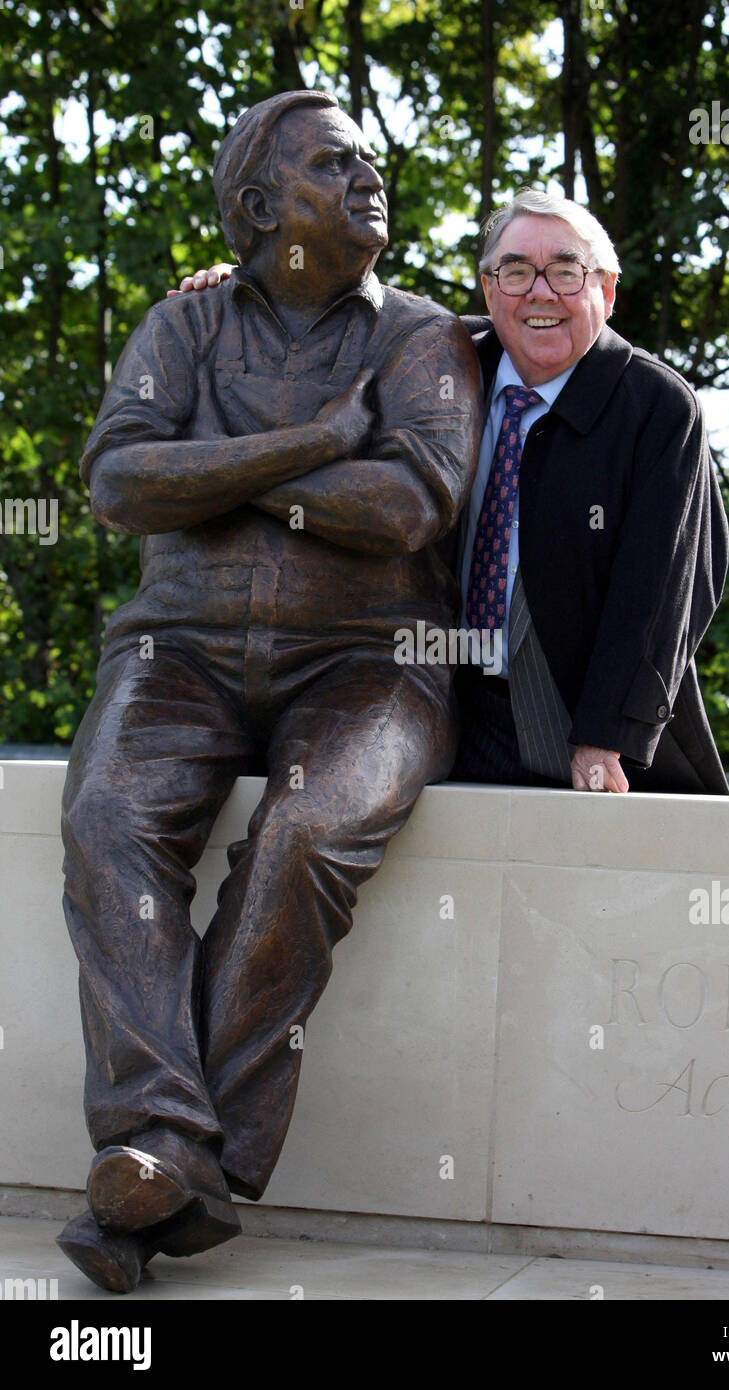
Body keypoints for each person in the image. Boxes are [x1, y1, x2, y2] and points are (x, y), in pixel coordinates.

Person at [57, 89, 482, 1293]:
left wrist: (209, 473)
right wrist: (309, 448)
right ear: (257, 205)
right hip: (174, 650)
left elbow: (405, 506)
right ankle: (165, 1148)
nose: (370, 175)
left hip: (370, 662)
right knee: (104, 820)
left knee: (304, 829)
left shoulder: (421, 336)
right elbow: (120, 486)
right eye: (335, 163)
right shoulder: (180, 327)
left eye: (370, 159)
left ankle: (159, 1156)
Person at [180, 190, 729, 797]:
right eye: (516, 272)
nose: (540, 293)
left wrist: (605, 735)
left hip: (574, 726)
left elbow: (662, 592)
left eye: (567, 272)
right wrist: (257, 292)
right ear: (490, 290)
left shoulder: (655, 406)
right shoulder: (444, 362)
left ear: (607, 289)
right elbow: (334, 338)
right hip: (438, 699)